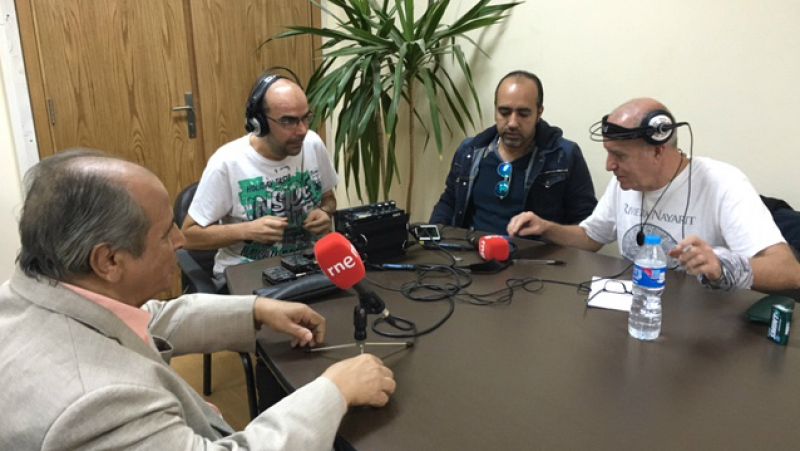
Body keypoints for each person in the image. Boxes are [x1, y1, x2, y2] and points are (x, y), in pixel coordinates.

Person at [0, 150, 395, 450]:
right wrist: (334, 391)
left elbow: (146, 320)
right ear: (108, 260)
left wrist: (255, 309)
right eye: (165, 233)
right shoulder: (94, 404)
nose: (180, 241)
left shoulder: (34, 297)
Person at [507, 98, 800, 292]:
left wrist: (725, 266)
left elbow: (789, 271)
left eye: (619, 155)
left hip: (703, 336)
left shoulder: (723, 183)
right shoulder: (627, 182)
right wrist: (547, 228)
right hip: (637, 313)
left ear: (659, 149)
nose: (609, 166)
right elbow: (591, 237)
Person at [182, 73, 338, 282]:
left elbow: (329, 199)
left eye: (305, 118)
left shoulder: (313, 144)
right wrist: (246, 230)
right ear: (259, 123)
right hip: (247, 274)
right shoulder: (227, 163)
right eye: (288, 121)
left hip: (307, 268)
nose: (302, 130)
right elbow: (188, 236)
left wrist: (324, 212)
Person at [429, 70, 597, 235]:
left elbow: (588, 229)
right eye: (504, 112)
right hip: (472, 254)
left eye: (523, 114)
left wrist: (548, 229)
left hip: (536, 259)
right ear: (495, 110)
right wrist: (432, 240)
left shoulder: (564, 156)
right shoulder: (471, 151)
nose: (512, 123)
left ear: (539, 113)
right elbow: (450, 202)